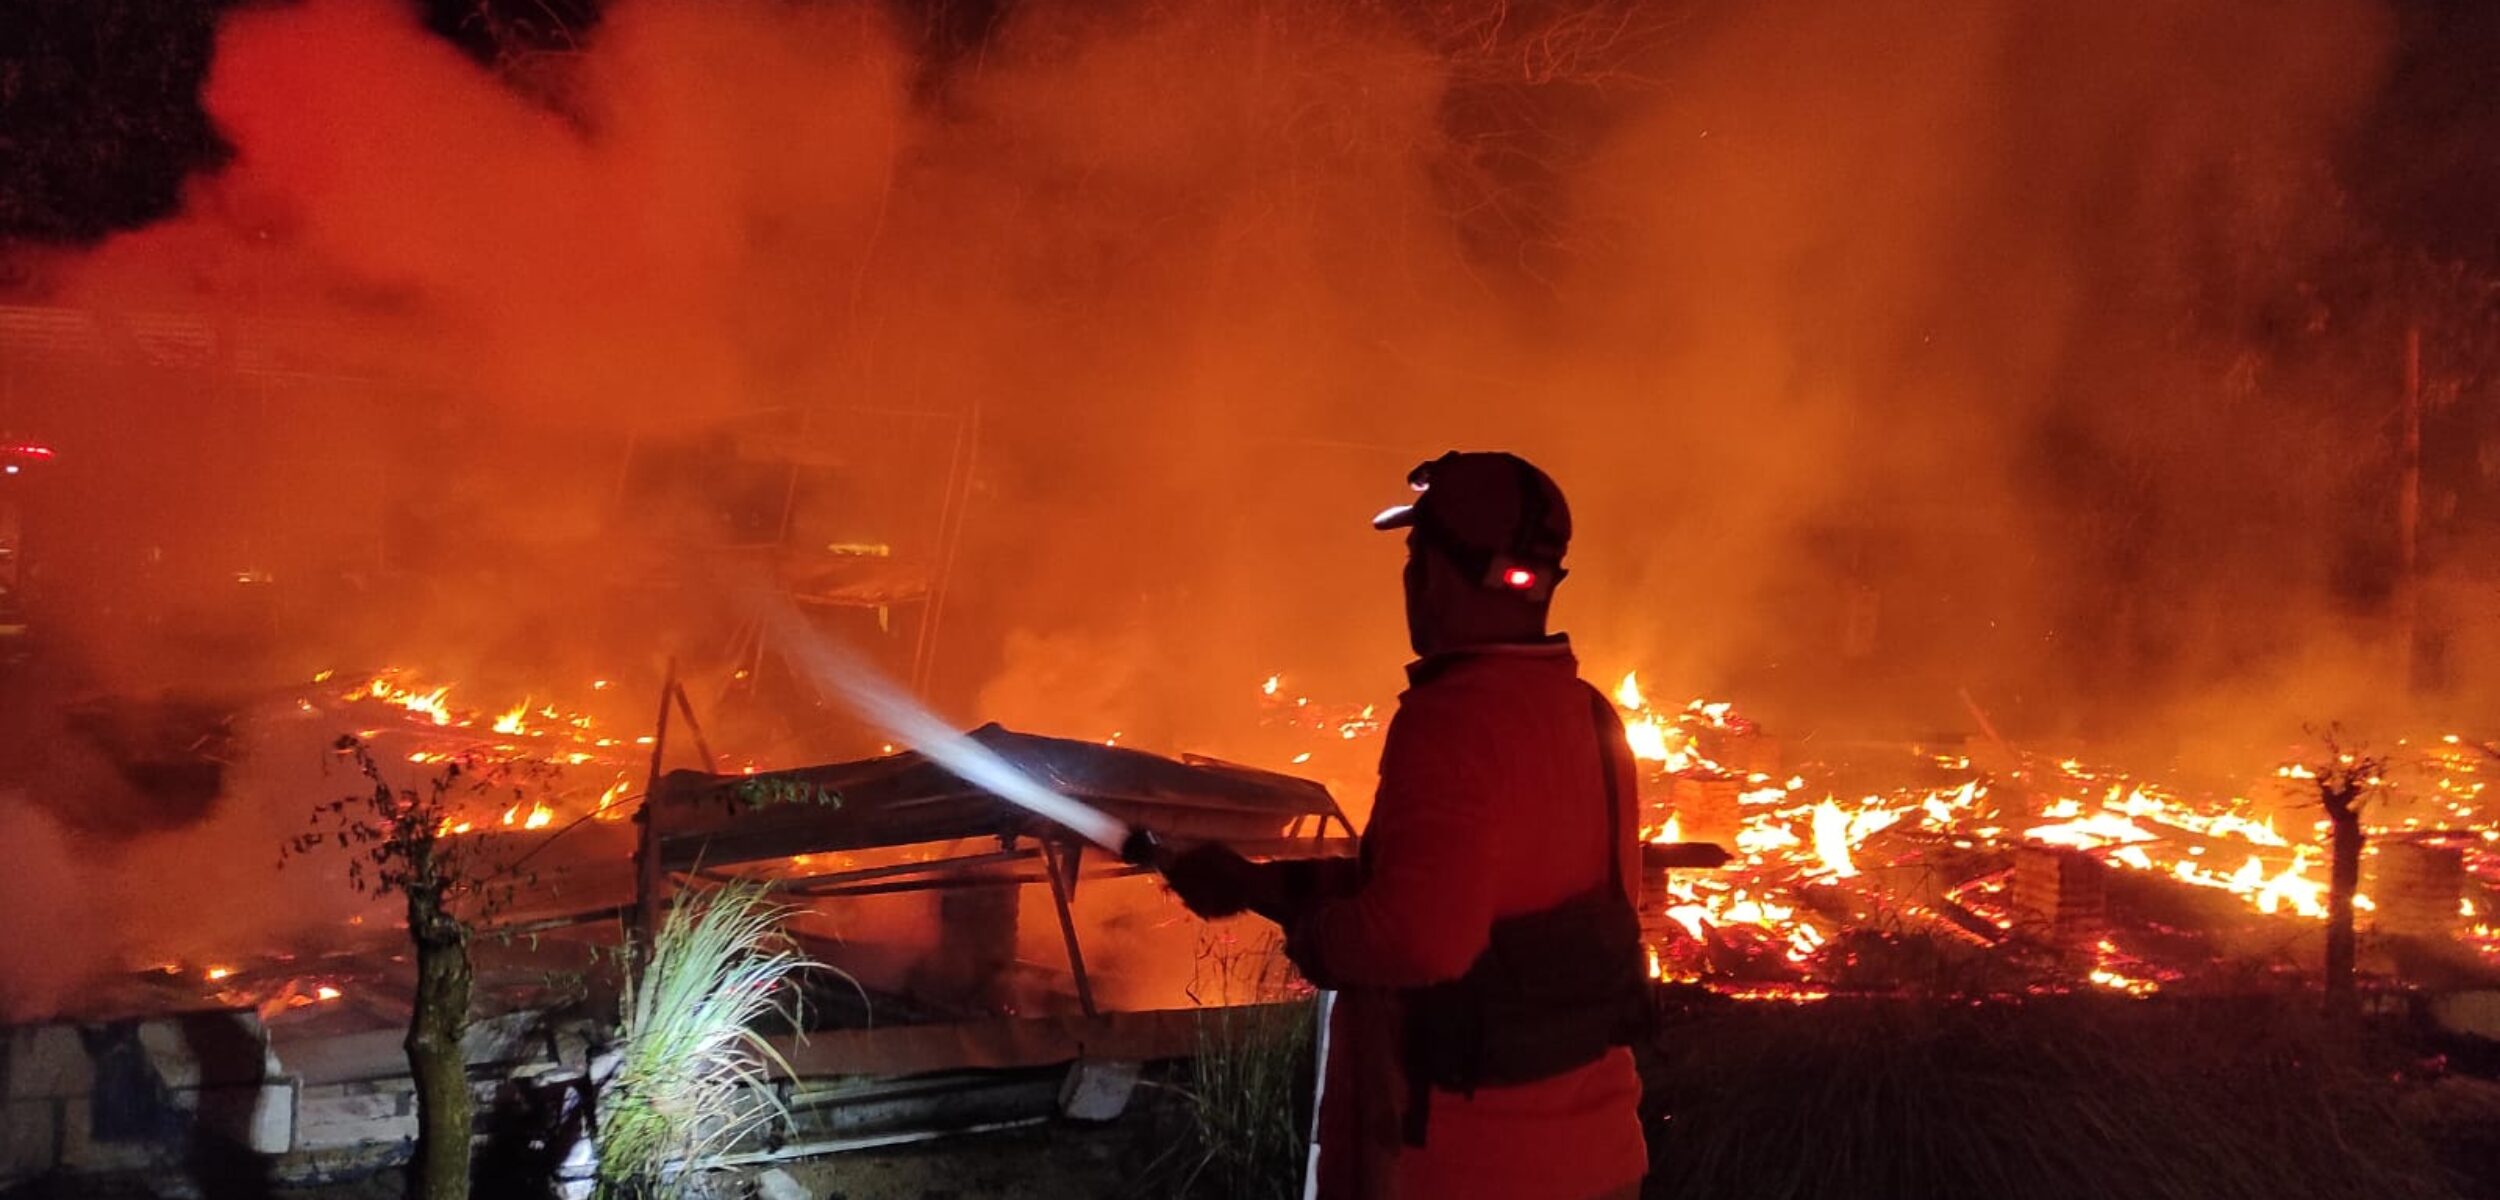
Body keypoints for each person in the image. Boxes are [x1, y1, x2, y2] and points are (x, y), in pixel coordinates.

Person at [1161, 450, 1649, 1200]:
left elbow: (1418, 939)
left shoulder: (1452, 721)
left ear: (1441, 574)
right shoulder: (1590, 716)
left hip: (1463, 1167)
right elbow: (1477, 894)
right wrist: (1257, 886)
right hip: (1600, 1156)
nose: (1411, 579)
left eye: (1416, 555)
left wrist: (1314, 936)